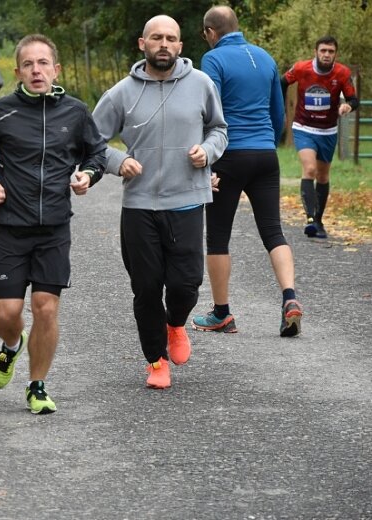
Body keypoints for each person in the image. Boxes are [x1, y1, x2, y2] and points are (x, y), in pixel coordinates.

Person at [0, 34, 106, 414]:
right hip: (12, 227)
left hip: (55, 228)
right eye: (29, 64)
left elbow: (97, 154)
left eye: (43, 63)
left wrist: (88, 175)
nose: (36, 70)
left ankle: (36, 385)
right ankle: (11, 345)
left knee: (45, 308)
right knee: (7, 314)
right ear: (18, 71)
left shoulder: (76, 112)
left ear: (55, 70)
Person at [92, 15, 228, 389]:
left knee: (186, 284)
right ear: (143, 44)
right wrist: (119, 162)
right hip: (139, 206)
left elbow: (219, 129)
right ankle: (155, 360)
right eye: (157, 38)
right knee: (147, 287)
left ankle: (176, 324)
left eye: (171, 38)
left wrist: (208, 151)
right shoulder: (120, 93)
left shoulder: (201, 84)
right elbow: (90, 141)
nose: (164, 43)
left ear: (181, 46)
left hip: (186, 200)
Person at [191, 6, 303, 338]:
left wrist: (205, 158)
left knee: (218, 235)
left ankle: (222, 314)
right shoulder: (265, 57)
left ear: (211, 32)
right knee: (273, 230)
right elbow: (278, 112)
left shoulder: (213, 60)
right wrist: (266, 141)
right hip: (266, 155)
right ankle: (290, 298)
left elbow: (207, 110)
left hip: (229, 154)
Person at [282, 36, 359, 239]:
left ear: (335, 54)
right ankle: (309, 220)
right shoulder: (301, 68)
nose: (326, 54)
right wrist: (280, 109)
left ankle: (318, 220)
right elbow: (281, 83)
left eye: (330, 51)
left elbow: (353, 99)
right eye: (323, 50)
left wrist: (347, 106)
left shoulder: (342, 73)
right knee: (309, 169)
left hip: (328, 131)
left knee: (323, 176)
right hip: (304, 127)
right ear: (316, 51)